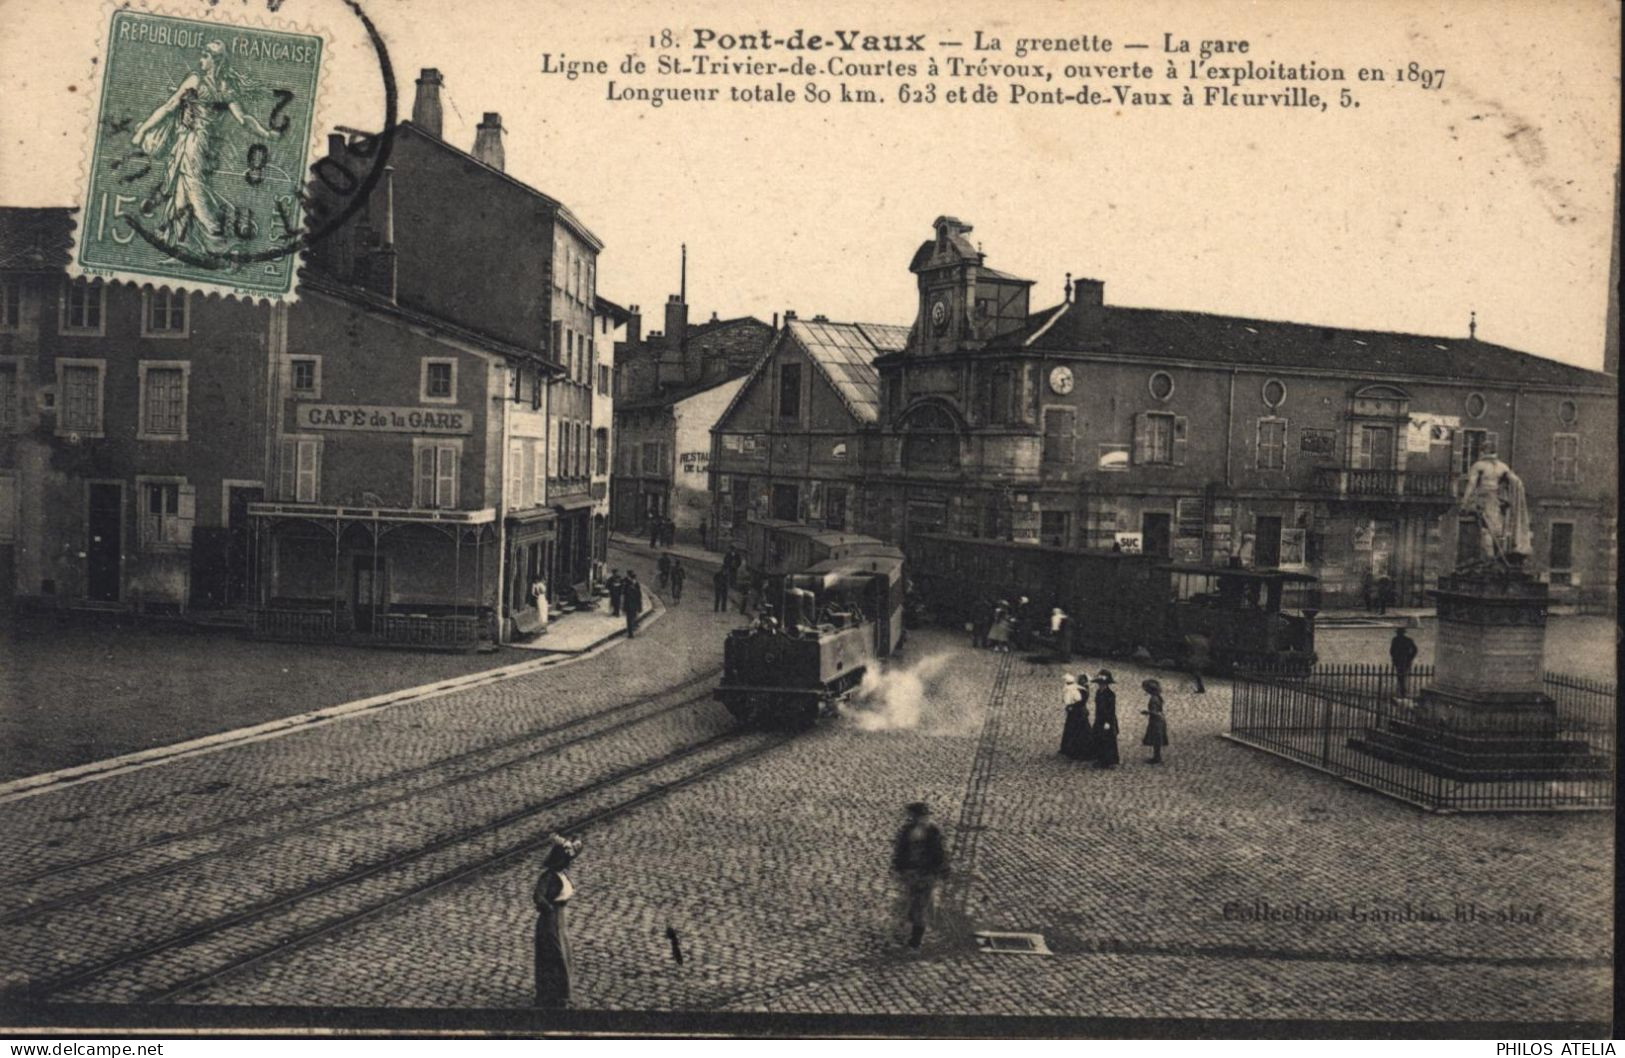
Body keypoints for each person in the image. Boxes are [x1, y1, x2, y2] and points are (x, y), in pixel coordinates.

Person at [129, 40, 283, 257]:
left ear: (215, 60)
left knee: (193, 188)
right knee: (182, 188)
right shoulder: (225, 87)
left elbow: (169, 106)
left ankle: (217, 237)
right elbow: (244, 119)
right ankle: (178, 242)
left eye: (205, 55)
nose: (201, 59)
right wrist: (266, 133)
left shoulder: (195, 80)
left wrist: (142, 131)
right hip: (203, 145)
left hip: (193, 142)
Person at [532, 833, 583, 1008]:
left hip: (561, 920)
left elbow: (577, 846)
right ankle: (553, 995)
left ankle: (563, 994)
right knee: (555, 956)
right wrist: (548, 907)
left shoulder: (562, 875)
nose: (569, 863)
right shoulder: (548, 877)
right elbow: (538, 896)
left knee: (564, 954)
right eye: (566, 860)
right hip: (550, 921)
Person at [891, 802, 948, 949]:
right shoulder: (907, 830)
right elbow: (901, 850)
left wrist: (940, 870)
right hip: (910, 873)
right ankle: (913, 929)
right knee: (910, 902)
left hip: (926, 874)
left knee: (921, 905)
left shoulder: (933, 832)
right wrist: (899, 866)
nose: (917, 819)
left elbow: (939, 854)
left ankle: (916, 939)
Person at [1059, 673, 1094, 761]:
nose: (1080, 681)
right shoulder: (1082, 689)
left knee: (1079, 731)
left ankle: (1077, 750)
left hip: (1078, 712)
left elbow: (1080, 701)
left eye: (1082, 680)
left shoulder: (1083, 690)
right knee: (1073, 730)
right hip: (1077, 712)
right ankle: (1070, 749)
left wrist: (1071, 706)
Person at [1091, 670, 1120, 769]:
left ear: (1107, 684)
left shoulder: (1110, 694)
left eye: (1102, 684)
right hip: (1099, 719)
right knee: (1098, 738)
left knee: (1108, 740)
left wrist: (1108, 722)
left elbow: (1111, 710)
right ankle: (1100, 759)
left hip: (1108, 720)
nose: (1100, 685)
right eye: (1099, 684)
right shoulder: (1098, 693)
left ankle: (1109, 761)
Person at [1140, 678, 1169, 764]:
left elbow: (1155, 712)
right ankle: (1157, 757)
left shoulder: (1153, 699)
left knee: (1156, 739)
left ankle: (1157, 758)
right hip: (1159, 719)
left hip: (1156, 721)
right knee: (1157, 739)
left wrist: (1147, 712)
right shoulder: (1158, 697)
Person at [1390, 626, 1419, 697]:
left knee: (1401, 675)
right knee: (1403, 675)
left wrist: (1394, 657)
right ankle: (1402, 690)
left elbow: (1391, 650)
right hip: (1404, 659)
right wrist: (1410, 657)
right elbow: (1415, 650)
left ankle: (1402, 690)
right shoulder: (1407, 640)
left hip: (1401, 660)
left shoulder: (1396, 640)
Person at [622, 572, 643, 638]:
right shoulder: (628, 585)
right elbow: (625, 596)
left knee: (632, 618)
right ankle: (630, 633)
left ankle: (631, 631)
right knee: (629, 619)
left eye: (634, 579)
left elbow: (639, 597)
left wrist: (639, 607)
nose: (634, 580)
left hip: (633, 606)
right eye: (633, 579)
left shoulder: (636, 585)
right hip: (629, 606)